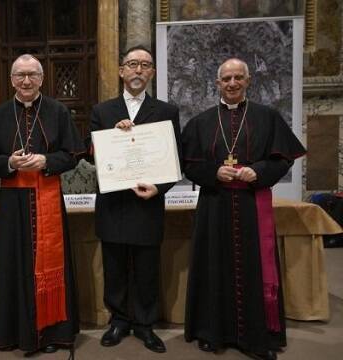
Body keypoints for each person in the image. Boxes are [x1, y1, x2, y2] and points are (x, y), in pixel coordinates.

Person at [182, 58, 306, 360]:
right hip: (214, 206)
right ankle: (213, 333)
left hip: (252, 206)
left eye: (238, 78)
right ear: (217, 83)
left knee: (254, 269)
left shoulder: (267, 117)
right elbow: (188, 165)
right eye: (226, 79)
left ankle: (256, 337)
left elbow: (283, 159)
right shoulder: (201, 122)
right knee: (214, 266)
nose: (232, 83)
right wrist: (213, 172)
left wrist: (259, 171)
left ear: (248, 81)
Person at [0, 54, 83, 356]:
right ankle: (17, 334)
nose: (26, 81)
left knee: (52, 265)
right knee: (15, 264)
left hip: (48, 195)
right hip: (13, 202)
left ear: (42, 78)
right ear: (12, 79)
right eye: (20, 75)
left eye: (32, 75)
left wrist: (46, 161)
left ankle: (52, 333)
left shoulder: (59, 111)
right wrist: (9, 162)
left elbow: (74, 153)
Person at [84, 45, 181, 353]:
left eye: (145, 65)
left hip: (148, 203)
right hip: (113, 203)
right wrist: (112, 137)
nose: (139, 70)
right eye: (133, 64)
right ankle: (119, 320)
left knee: (146, 268)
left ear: (152, 72)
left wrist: (160, 188)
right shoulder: (103, 111)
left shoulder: (167, 111)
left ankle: (145, 324)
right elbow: (89, 155)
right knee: (114, 267)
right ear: (121, 70)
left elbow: (174, 159)